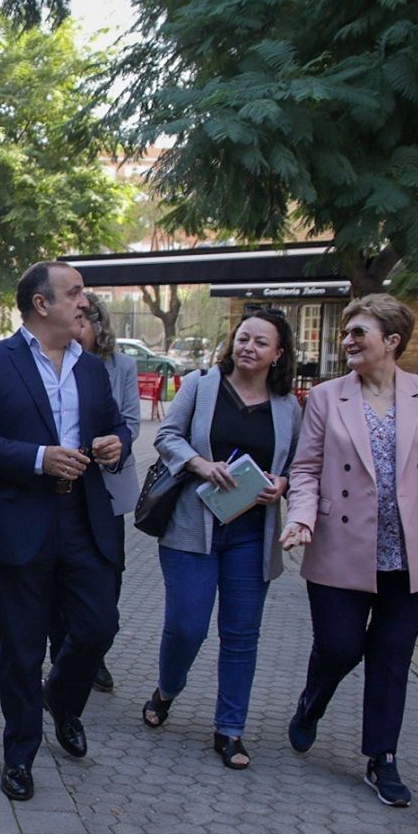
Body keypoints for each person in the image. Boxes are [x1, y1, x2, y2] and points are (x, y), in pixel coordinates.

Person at [282, 293, 418, 807]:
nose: (348, 340)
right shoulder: (327, 397)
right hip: (340, 547)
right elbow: (306, 470)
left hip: (414, 554)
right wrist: (301, 518)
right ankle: (312, 703)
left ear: (392, 342)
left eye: (360, 333)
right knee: (339, 648)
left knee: (391, 657)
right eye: (347, 332)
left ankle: (383, 758)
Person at [0, 261, 128, 803]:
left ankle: (64, 702)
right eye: (74, 293)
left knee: (97, 627)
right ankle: (20, 753)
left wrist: (116, 442)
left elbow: (115, 422)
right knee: (23, 650)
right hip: (18, 522)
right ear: (41, 304)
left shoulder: (92, 368)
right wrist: (37, 458)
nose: (84, 302)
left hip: (83, 519)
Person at [140, 309, 301, 770]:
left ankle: (230, 729)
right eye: (243, 338)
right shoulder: (201, 385)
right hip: (193, 528)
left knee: (241, 634)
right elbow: (167, 436)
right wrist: (199, 464)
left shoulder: (288, 405)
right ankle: (168, 688)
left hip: (253, 533)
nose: (248, 347)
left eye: (260, 342)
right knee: (187, 626)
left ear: (278, 354)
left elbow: (299, 463)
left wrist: (282, 483)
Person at [58, 292, 141, 693]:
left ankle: (95, 654)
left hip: (109, 486)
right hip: (66, 486)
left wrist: (116, 443)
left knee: (110, 574)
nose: (76, 331)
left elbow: (130, 422)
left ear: (97, 326)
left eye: (82, 323)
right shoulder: (56, 363)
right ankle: (68, 651)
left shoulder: (120, 366)